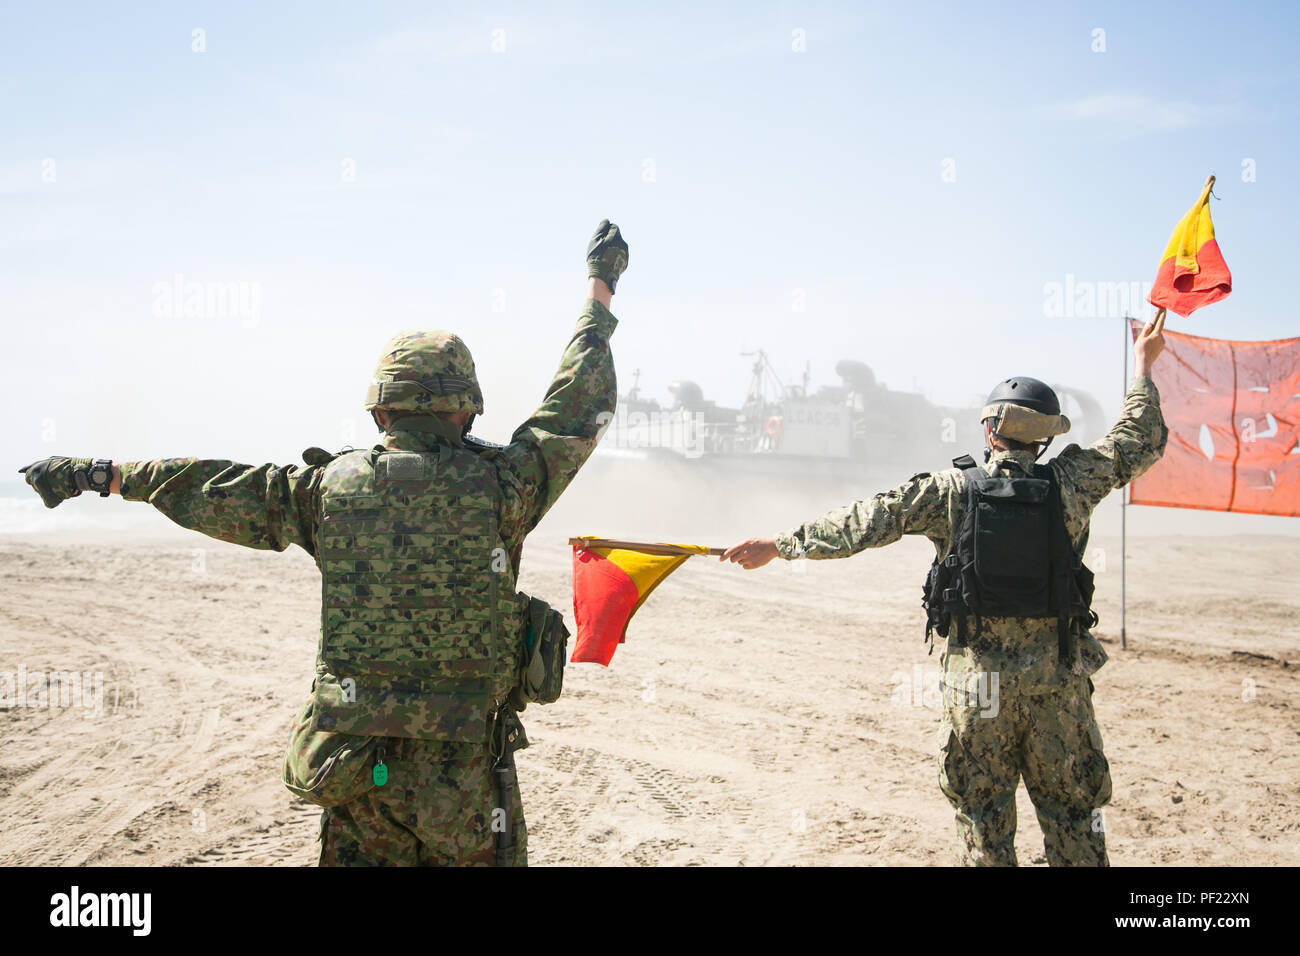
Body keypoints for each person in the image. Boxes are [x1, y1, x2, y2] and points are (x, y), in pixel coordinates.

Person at [19, 219, 629, 866]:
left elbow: (213, 486)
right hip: (466, 786)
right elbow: (577, 401)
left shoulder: (323, 493)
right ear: (467, 411)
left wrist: (103, 475)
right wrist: (601, 289)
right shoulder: (507, 486)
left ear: (380, 412)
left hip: (360, 774)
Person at [721, 311, 1170, 866]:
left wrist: (782, 544)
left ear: (989, 429)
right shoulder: (1075, 482)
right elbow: (1140, 438)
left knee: (982, 821)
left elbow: (866, 520)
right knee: (1074, 816)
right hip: (1058, 686)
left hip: (977, 689)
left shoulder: (950, 491)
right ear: (1049, 436)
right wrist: (1143, 367)